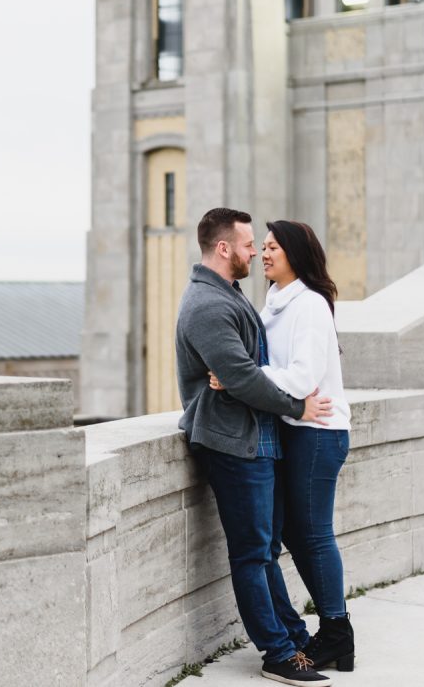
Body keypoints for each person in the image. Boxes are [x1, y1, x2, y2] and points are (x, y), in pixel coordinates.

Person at [175, 207, 334, 687]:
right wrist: (298, 406)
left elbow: (243, 372)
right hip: (233, 444)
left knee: (264, 550)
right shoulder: (206, 305)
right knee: (251, 553)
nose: (255, 253)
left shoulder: (230, 295)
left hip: (256, 440)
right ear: (223, 248)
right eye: (248, 245)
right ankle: (276, 653)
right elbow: (241, 377)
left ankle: (294, 637)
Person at [210, 220, 354, 672]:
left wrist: (240, 378)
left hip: (319, 432)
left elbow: (302, 378)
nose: (264, 254)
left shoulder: (308, 305)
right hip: (295, 428)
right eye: (262, 247)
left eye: (272, 247)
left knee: (312, 533)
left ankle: (337, 633)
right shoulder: (274, 303)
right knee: (294, 532)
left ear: (295, 254)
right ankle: (333, 630)